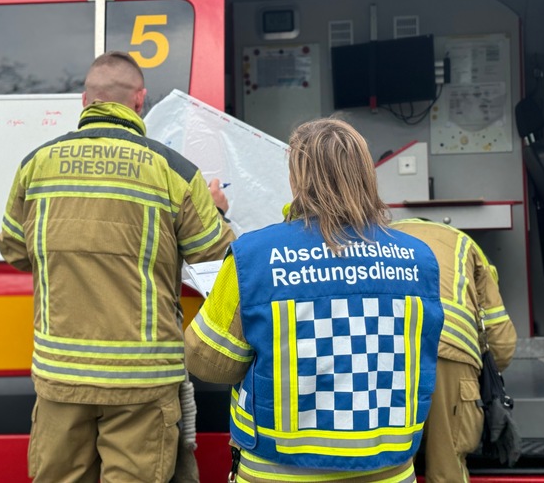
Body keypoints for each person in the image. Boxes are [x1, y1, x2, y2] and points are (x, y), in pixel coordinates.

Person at [0, 50, 235, 482]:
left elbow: (14, 249)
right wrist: (217, 212)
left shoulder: (36, 165)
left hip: (61, 376)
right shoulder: (175, 172)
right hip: (142, 382)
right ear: (139, 100)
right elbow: (218, 259)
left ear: (85, 101)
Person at [184, 118, 444, 483]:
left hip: (277, 472)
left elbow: (207, 361)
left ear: (297, 178)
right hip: (388, 471)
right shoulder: (418, 259)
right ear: (366, 175)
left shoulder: (254, 257)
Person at [390, 218, 517, 483]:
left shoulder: (379, 238)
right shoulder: (465, 245)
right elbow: (502, 342)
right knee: (447, 465)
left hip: (389, 355)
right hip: (452, 358)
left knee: (390, 467)